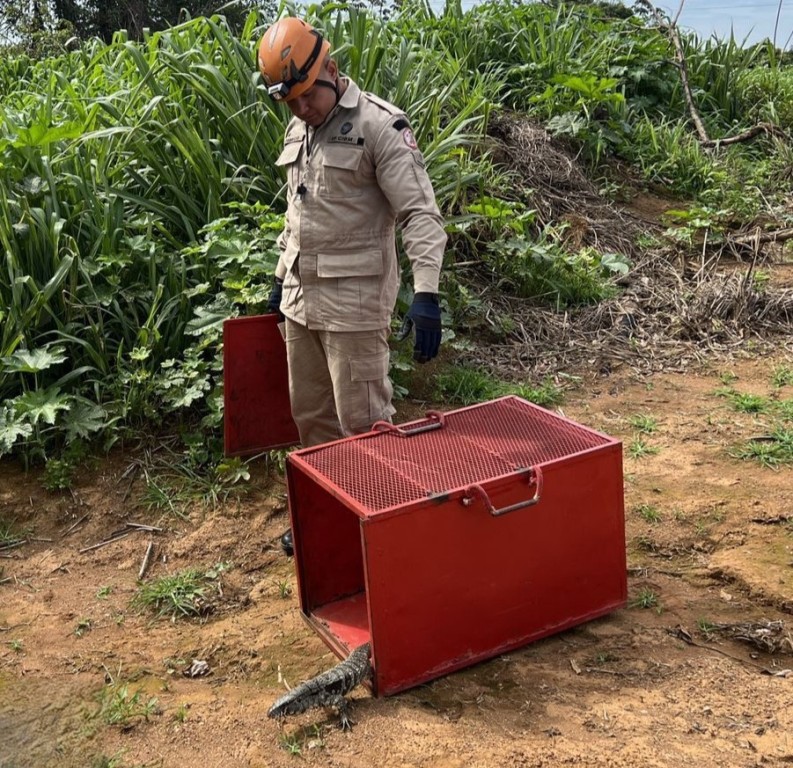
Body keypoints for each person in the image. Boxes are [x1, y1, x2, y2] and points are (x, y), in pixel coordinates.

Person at [257, 17, 448, 556]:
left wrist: (427, 293)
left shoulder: (380, 125)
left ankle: (388, 545)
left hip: (355, 309)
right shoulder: (300, 126)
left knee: (366, 429)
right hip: (301, 303)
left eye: (305, 97)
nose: (299, 110)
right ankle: (330, 525)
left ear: (332, 70)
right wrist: (279, 279)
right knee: (313, 424)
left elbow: (420, 215)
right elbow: (297, 212)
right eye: (288, 101)